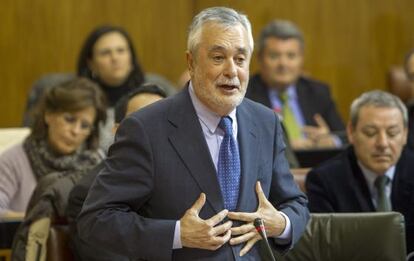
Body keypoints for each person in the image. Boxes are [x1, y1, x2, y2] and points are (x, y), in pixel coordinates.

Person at [77, 7, 309, 261]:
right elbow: (96, 220)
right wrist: (177, 234)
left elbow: (296, 204)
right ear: (191, 62)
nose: (232, 71)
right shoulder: (146, 128)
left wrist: (281, 223)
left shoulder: (265, 122)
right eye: (218, 58)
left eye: (240, 59)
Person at [66, 84, 166, 261]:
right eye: (145, 122)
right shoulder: (87, 194)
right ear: (118, 131)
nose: (157, 131)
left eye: (165, 121)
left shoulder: (187, 177)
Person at [305, 90, 414, 254]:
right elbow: (326, 250)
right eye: (371, 133)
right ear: (351, 132)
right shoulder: (324, 180)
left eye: (392, 133)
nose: (383, 143)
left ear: (405, 134)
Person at [0, 78, 106, 217]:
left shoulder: (98, 163)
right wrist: (40, 220)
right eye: (70, 119)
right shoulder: (13, 160)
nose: (75, 131)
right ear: (48, 115)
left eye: (84, 126)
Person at [246, 20, 345, 149]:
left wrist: (331, 140)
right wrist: (284, 147)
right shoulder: (246, 96)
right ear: (259, 58)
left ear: (301, 59)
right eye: (274, 56)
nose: (283, 64)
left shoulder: (318, 92)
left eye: (291, 56)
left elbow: (346, 136)